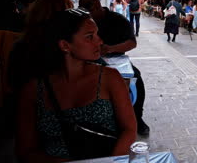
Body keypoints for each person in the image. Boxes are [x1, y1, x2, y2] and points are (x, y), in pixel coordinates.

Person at [15, 9, 136, 162]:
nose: (99, 41)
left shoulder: (109, 78)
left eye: (97, 34)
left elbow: (129, 129)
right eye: (89, 37)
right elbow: (25, 151)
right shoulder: (33, 89)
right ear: (65, 45)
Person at [79, 0, 150, 136]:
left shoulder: (118, 20)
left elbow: (132, 43)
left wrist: (111, 48)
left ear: (98, 5)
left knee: (136, 79)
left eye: (90, 8)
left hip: (116, 59)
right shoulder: (82, 22)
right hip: (89, 60)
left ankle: (137, 117)